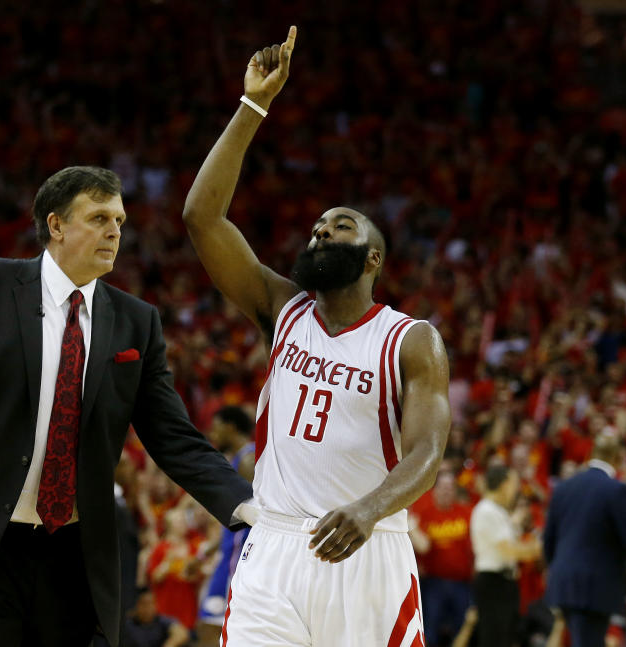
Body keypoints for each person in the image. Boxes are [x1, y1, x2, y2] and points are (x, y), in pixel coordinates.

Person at [0, 166, 254, 647]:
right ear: (56, 225)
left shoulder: (136, 322)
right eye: (99, 217)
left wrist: (249, 508)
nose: (114, 231)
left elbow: (173, 437)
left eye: (120, 221)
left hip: (75, 555)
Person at [182, 26, 451, 646]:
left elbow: (426, 455)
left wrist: (369, 508)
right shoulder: (284, 309)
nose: (322, 232)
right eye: (317, 227)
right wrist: (253, 106)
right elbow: (202, 216)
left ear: (375, 257)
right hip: (274, 544)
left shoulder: (410, 341)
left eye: (342, 225)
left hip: (366, 549)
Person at [544, 432, 626, 647]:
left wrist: (558, 571)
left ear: (592, 454)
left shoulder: (563, 488)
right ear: (618, 458)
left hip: (563, 583)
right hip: (594, 586)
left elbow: (548, 541)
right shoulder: (617, 490)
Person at [196, 406, 255, 646]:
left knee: (211, 626)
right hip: (229, 553)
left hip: (237, 559)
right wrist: (206, 552)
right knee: (212, 626)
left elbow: (254, 516)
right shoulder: (241, 458)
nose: (213, 433)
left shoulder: (248, 461)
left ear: (231, 427)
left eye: (217, 427)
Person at [469, 464, 541, 647]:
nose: (516, 488)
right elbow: (509, 549)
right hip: (493, 581)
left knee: (505, 638)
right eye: (514, 484)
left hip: (505, 581)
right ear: (504, 484)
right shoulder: (487, 510)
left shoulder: (498, 511)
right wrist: (537, 548)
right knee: (493, 638)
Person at [409, 470, 475, 646]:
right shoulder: (424, 514)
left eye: (450, 487)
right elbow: (420, 546)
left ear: (455, 491)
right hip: (433, 584)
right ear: (435, 490)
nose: (447, 491)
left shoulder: (466, 513)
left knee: (462, 630)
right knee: (430, 631)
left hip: (462, 584)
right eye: (443, 487)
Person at [123, 588, 189, 647]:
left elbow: (181, 633)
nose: (147, 608)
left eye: (151, 603)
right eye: (144, 604)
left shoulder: (162, 621)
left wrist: (169, 645)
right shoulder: (128, 624)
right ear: (136, 605)